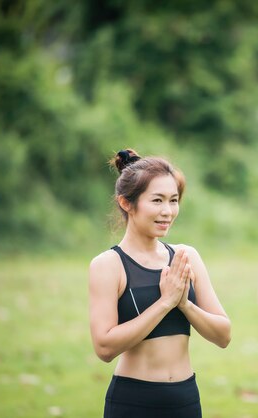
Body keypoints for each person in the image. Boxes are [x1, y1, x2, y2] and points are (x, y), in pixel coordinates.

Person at [89, 149, 231, 418]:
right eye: (157, 200)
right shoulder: (108, 265)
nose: (168, 211)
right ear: (126, 203)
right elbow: (104, 347)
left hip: (186, 400)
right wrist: (165, 303)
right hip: (133, 401)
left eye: (173, 200)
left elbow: (223, 335)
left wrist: (184, 304)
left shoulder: (185, 257)